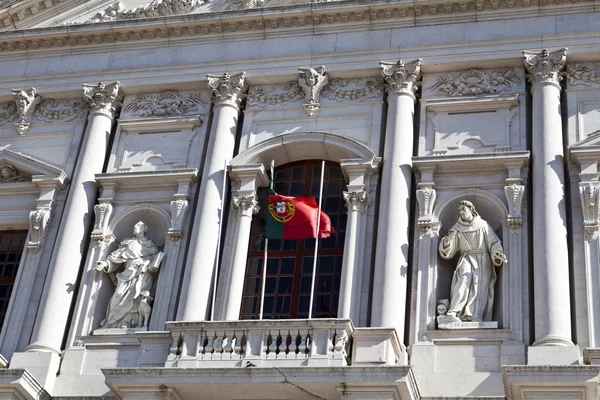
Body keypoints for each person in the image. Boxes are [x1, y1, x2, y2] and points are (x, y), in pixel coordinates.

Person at [439, 200, 507, 322]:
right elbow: (450, 249)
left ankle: (476, 316)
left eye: (463, 210)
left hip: (483, 259)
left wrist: (497, 253)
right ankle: (454, 312)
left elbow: (494, 242)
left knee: (480, 286)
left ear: (471, 209)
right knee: (462, 281)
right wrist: (448, 241)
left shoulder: (483, 225)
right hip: (466, 257)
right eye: (460, 211)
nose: (461, 213)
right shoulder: (457, 228)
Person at [95, 221, 163, 329]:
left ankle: (128, 322)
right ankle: (112, 322)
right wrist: (105, 263)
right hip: (127, 273)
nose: (135, 227)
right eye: (134, 226)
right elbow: (116, 257)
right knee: (118, 294)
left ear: (144, 229)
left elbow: (154, 260)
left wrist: (150, 265)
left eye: (137, 226)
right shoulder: (128, 243)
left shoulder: (150, 245)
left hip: (143, 275)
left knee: (136, 298)